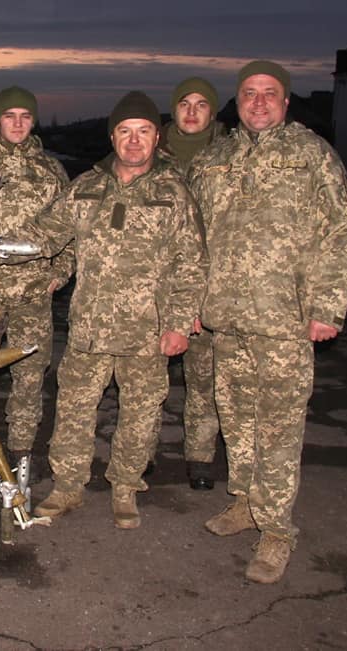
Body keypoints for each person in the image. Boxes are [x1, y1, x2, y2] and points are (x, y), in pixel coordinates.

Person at [189, 61, 347, 583]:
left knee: (279, 428)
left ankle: (277, 532)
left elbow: (340, 231)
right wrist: (191, 303)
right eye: (249, 93)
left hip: (285, 318)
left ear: (285, 102)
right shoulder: (214, 160)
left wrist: (328, 307)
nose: (258, 102)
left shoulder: (311, 155)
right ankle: (245, 502)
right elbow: (193, 240)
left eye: (269, 93)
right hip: (226, 317)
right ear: (237, 101)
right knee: (236, 418)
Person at [26, 91, 207, 529]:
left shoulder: (173, 192)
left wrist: (179, 324)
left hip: (148, 330)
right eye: (125, 131)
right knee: (73, 409)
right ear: (113, 136)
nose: (134, 140)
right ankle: (67, 487)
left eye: (143, 131)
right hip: (89, 328)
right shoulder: (85, 187)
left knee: (141, 414)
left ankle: (125, 487)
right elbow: (43, 234)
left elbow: (192, 263)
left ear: (157, 137)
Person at [0, 86, 71, 474]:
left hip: (33, 294)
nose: (18, 123)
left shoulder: (51, 171)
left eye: (25, 116)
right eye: (10, 116)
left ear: (34, 121)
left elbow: (70, 229)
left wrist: (60, 272)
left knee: (29, 377)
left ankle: (20, 455)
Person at [148, 77, 228, 490]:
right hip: (154, 289)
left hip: (211, 287)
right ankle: (141, 452)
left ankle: (200, 456)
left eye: (201, 104)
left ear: (213, 111)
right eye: (184, 103)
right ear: (173, 109)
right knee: (148, 380)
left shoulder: (231, 155)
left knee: (204, 381)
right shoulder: (150, 151)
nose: (192, 111)